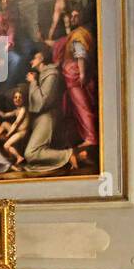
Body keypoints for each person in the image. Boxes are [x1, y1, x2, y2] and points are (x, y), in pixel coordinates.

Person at [46, 9, 98, 161]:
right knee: (78, 107)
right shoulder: (76, 33)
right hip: (72, 75)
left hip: (75, 76)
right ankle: (88, 136)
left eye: (76, 15)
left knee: (83, 107)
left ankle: (91, 138)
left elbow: (80, 55)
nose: (73, 17)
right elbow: (59, 44)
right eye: (72, 15)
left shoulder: (78, 35)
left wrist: (81, 74)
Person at [21, 50, 78, 174]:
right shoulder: (42, 74)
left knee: (31, 154)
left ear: (42, 58)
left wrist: (33, 82)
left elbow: (42, 102)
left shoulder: (51, 74)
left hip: (48, 117)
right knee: (29, 155)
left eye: (34, 58)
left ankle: (68, 154)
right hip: (40, 119)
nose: (31, 61)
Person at [0, 87, 29, 166]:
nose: (17, 99)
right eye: (15, 97)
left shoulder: (23, 109)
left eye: (20, 97)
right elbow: (4, 115)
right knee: (4, 123)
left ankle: (19, 157)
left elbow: (16, 123)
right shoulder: (16, 110)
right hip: (17, 130)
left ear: (23, 99)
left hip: (22, 132)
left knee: (6, 146)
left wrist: (9, 134)